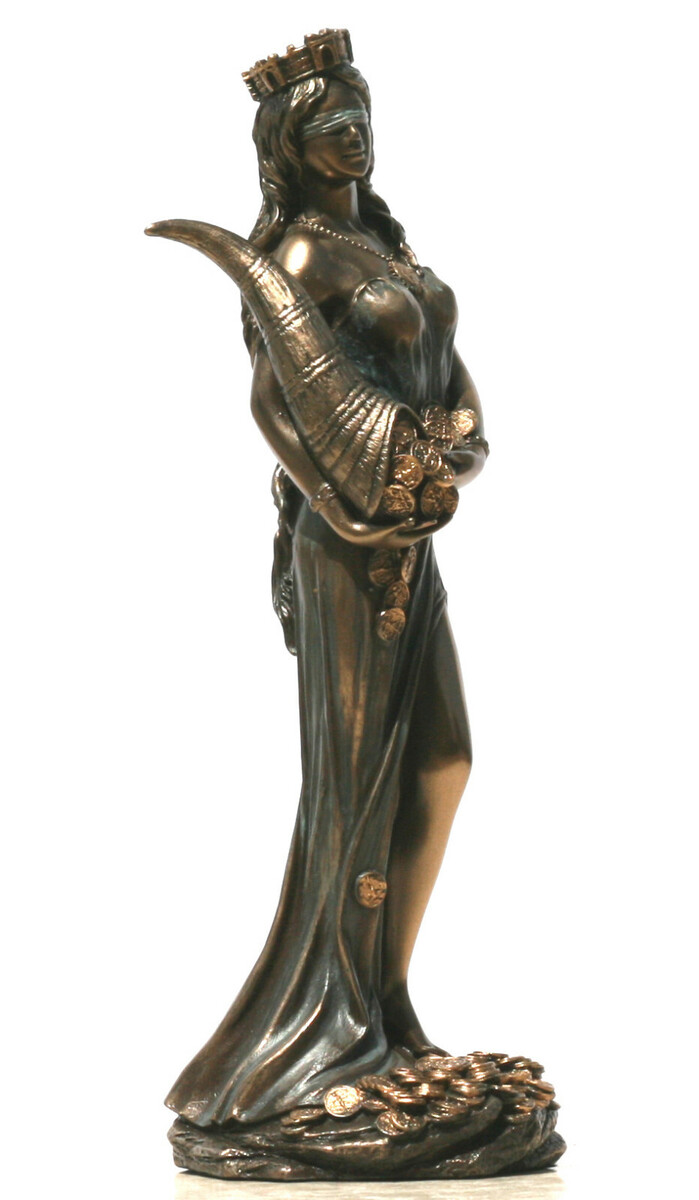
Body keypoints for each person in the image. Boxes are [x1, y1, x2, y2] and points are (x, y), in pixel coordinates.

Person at [161, 33, 488, 1131]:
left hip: (410, 532)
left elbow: (450, 376)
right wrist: (342, 504)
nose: (352, 133)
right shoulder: (301, 255)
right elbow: (273, 399)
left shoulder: (382, 240)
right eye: (327, 124)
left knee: (441, 758)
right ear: (287, 148)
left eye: (359, 114)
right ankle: (330, 1028)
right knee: (355, 785)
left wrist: (462, 449)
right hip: (344, 545)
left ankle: (385, 1004)